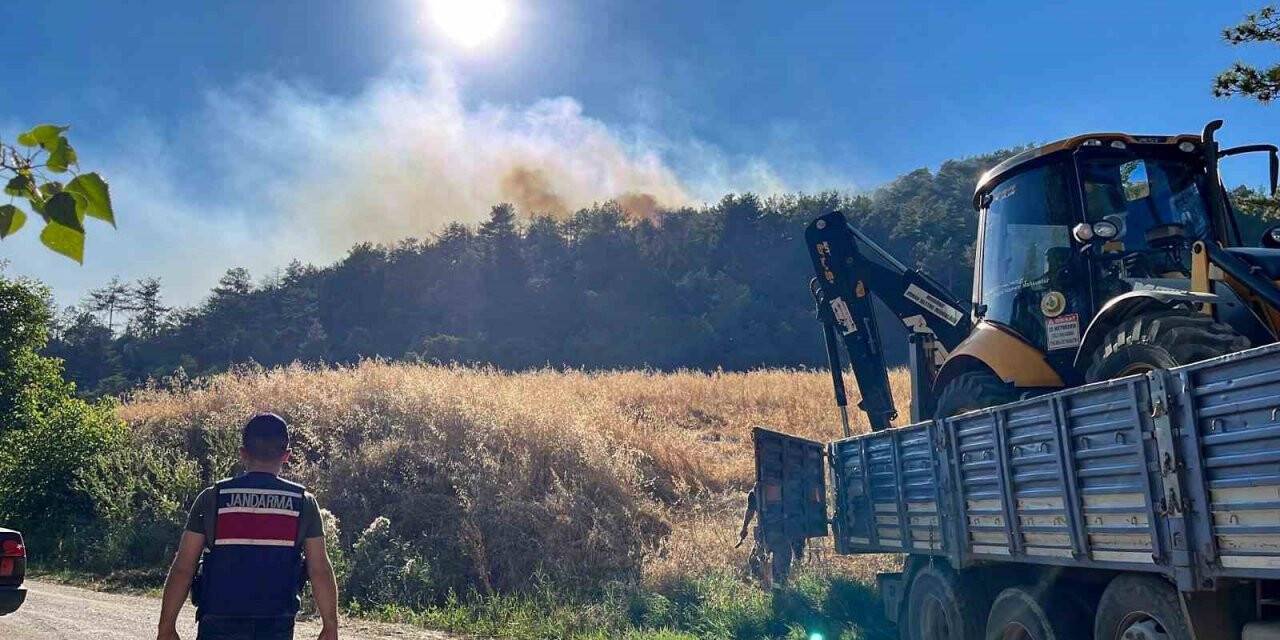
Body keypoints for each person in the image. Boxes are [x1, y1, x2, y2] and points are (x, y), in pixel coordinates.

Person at [156, 413, 339, 640]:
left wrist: (166, 626)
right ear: (287, 456)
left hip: (218, 620)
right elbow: (319, 568)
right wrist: (330, 626)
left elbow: (184, 567)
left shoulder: (213, 498)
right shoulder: (302, 502)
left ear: (243, 454)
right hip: (276, 623)